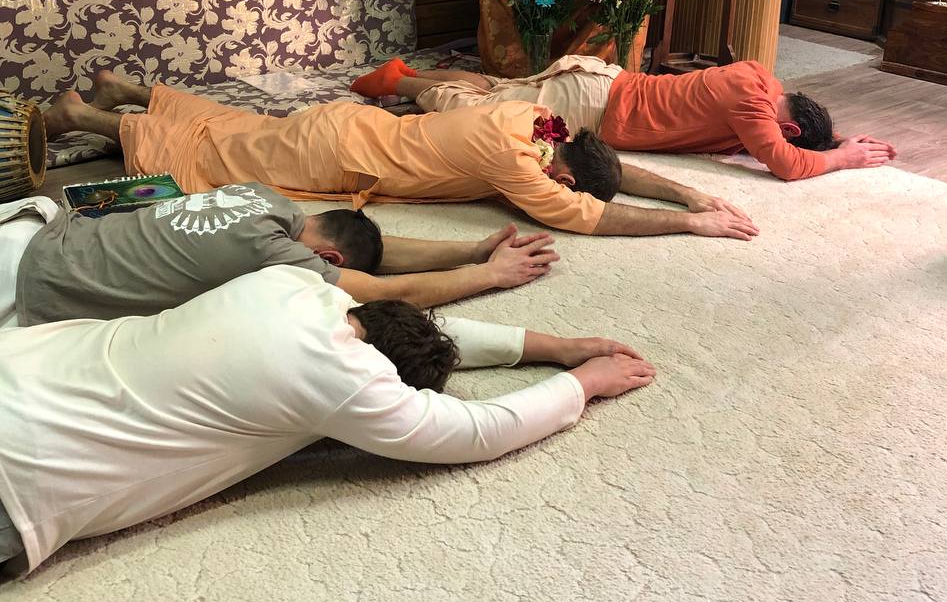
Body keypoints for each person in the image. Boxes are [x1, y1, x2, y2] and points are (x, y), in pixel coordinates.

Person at [0, 265, 656, 579]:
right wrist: (584, 381)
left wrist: (555, 345)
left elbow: (421, 323)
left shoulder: (290, 284)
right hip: (22, 480)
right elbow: (482, 432)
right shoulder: (348, 384)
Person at [42, 71, 757, 241]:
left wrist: (687, 192)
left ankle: (126, 90)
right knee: (213, 161)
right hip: (336, 154)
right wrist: (688, 223)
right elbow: (593, 217)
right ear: (561, 173)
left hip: (349, 128)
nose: (560, 189)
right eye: (564, 184)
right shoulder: (518, 166)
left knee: (235, 126)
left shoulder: (540, 123)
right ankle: (88, 117)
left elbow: (603, 176)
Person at [0, 183, 559, 329]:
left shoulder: (265, 198)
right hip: (30, 282)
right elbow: (391, 292)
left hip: (34, 222)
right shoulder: (281, 259)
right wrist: (490, 274)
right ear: (329, 259)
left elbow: (373, 251)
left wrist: (470, 248)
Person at [353, 55, 897, 184]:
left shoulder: (762, 81)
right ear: (790, 127)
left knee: (498, 90)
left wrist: (837, 140)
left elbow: (787, 140)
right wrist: (843, 159)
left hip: (602, 86)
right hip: (592, 105)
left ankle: (407, 73)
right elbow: (784, 163)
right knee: (478, 115)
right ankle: (396, 83)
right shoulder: (752, 107)